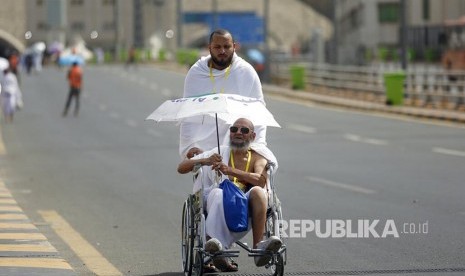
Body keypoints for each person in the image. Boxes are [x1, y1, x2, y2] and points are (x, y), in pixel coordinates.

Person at [178, 118, 282, 272]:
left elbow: (260, 180)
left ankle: (258, 249)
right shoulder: (218, 153)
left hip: (245, 205)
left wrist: (230, 170)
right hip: (219, 202)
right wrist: (206, 160)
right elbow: (181, 168)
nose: (238, 133)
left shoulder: (257, 157)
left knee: (259, 193)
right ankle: (215, 246)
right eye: (234, 129)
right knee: (218, 193)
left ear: (252, 136)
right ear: (230, 134)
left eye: (244, 130)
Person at [180, 29, 277, 167]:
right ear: (209, 48)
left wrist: (258, 147)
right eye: (217, 47)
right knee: (206, 189)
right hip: (204, 152)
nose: (222, 51)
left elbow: (258, 112)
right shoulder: (196, 73)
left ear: (234, 47)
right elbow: (188, 115)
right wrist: (188, 147)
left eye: (227, 46)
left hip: (239, 150)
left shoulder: (246, 72)